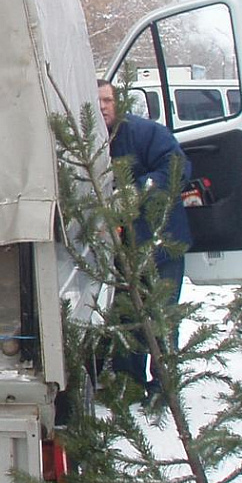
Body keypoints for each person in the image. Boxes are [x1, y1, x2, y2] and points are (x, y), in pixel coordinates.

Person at [97, 79, 193, 394]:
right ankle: (129, 385)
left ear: (118, 103)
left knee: (163, 319)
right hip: (123, 253)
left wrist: (136, 191)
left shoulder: (146, 133)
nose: (102, 107)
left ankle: (165, 389)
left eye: (107, 100)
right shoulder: (92, 142)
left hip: (162, 244)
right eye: (95, 101)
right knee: (128, 317)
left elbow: (178, 167)